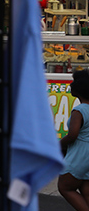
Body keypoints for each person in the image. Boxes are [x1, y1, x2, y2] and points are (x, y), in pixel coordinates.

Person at [58, 70, 89, 210]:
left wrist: (56, 145)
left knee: (65, 187)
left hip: (79, 155)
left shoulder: (79, 111)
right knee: (86, 192)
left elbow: (72, 135)